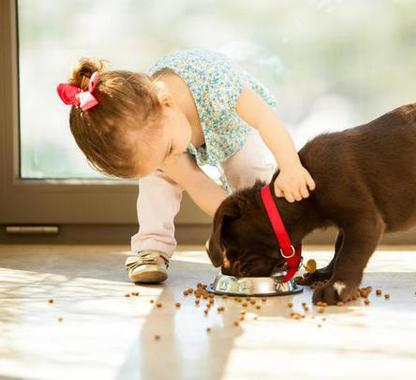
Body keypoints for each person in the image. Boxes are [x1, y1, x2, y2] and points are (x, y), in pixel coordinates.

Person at [57, 48, 315, 283]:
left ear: (167, 104)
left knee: (249, 171)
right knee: (157, 182)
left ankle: (264, 244)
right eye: (156, 160)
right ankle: (152, 247)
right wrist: (227, 227)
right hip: (173, 132)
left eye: (167, 152)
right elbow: (197, 183)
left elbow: (263, 118)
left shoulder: (218, 85)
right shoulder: (157, 134)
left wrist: (290, 164)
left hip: (232, 126)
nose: (168, 162)